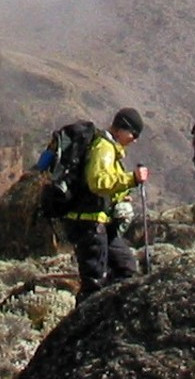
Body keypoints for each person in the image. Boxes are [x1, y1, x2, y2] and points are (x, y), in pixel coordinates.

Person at [61, 108, 148, 300]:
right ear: (120, 129)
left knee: (125, 267)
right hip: (89, 223)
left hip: (99, 223)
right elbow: (98, 182)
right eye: (133, 134)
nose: (135, 139)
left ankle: (110, 316)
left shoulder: (109, 148)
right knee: (93, 283)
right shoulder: (104, 147)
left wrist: (119, 197)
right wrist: (132, 179)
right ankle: (81, 326)